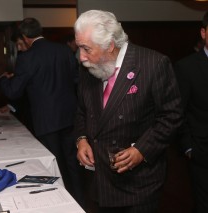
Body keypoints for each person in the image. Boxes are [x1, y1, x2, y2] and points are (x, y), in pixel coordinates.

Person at [74, 10, 183, 213]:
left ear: (110, 46)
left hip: (138, 184)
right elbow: (82, 110)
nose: (81, 57)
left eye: (86, 49)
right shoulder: (88, 68)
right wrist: (81, 139)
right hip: (99, 180)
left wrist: (141, 150)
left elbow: (171, 116)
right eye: (79, 47)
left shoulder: (153, 64)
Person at [0, 18, 85, 207]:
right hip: (70, 118)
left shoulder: (27, 58)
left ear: (24, 36)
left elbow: (14, 91)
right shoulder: (64, 50)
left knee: (52, 168)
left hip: (46, 121)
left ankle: (59, 206)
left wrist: (3, 80)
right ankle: (80, 205)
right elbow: (78, 81)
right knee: (73, 166)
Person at [174, 11, 208, 213]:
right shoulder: (186, 67)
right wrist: (189, 148)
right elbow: (178, 111)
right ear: (203, 33)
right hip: (203, 153)